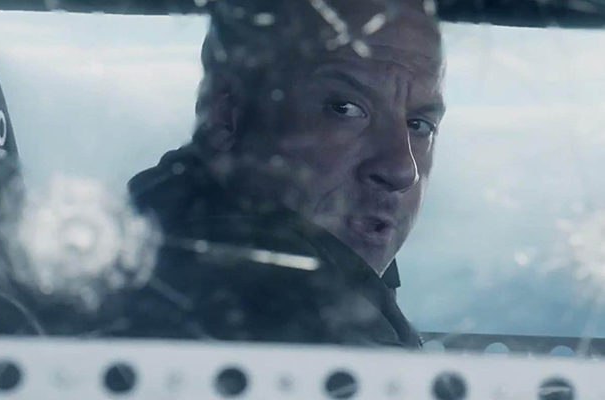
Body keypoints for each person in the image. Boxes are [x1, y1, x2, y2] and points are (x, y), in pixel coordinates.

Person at [124, 0, 445, 347]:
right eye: (344, 108)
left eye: (419, 125)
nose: (402, 169)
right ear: (225, 116)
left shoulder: (159, 244)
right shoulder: (276, 312)